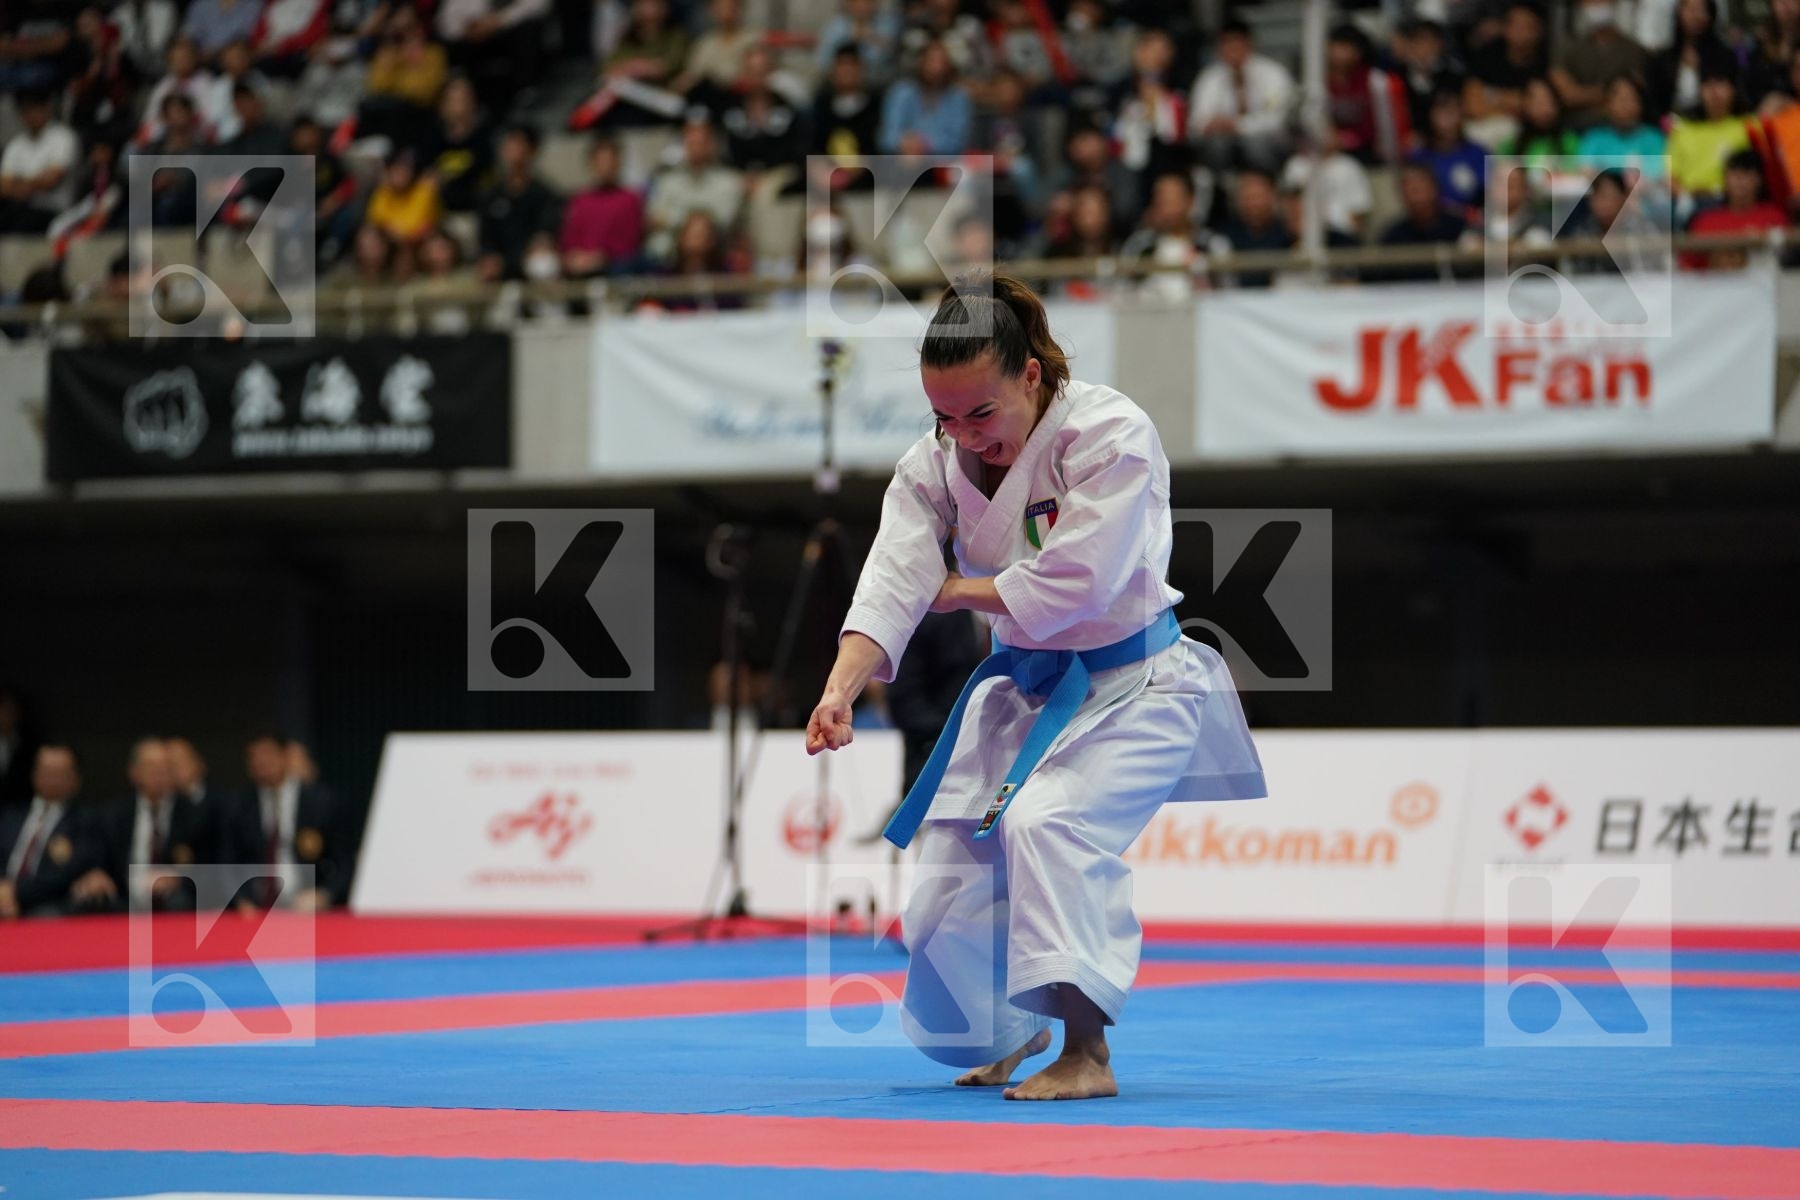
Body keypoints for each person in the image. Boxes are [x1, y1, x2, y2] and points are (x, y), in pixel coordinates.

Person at [805, 272, 1266, 1101]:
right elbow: (890, 580)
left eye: (981, 413)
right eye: (944, 417)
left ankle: (1087, 1053)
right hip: (1024, 693)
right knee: (951, 862)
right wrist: (841, 687)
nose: (964, 435)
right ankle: (1013, 1030)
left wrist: (958, 593)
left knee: (1048, 824)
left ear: (1032, 375)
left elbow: (1084, 580)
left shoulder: (1109, 432)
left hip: (1135, 685)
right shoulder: (934, 465)